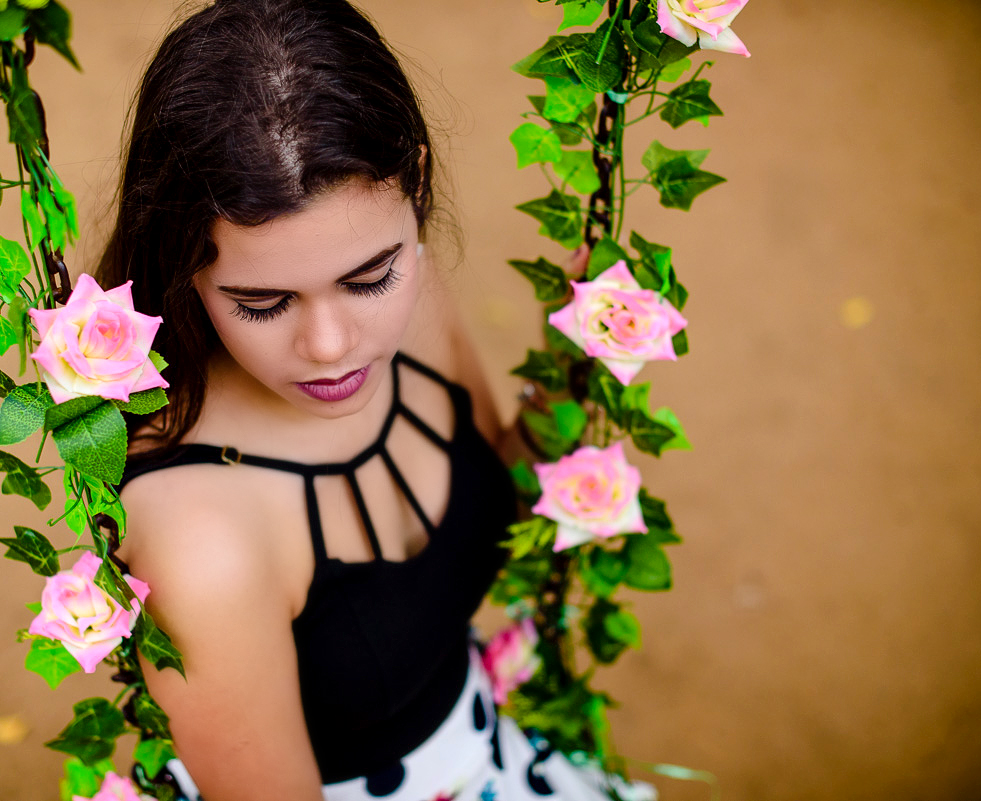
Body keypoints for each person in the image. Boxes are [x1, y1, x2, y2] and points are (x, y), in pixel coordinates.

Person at [99, 2, 651, 800]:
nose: (332, 344)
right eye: (262, 302)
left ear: (416, 183)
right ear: (184, 262)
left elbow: (507, 492)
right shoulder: (201, 542)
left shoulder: (415, 297)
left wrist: (570, 363)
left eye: (368, 278)